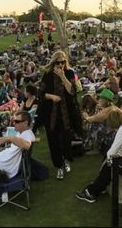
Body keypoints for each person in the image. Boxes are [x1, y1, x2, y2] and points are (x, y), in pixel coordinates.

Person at [38, 51, 80, 180]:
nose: (60, 64)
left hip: (66, 113)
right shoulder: (47, 75)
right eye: (58, 62)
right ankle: (59, 166)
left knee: (66, 140)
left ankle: (66, 159)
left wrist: (63, 77)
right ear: (53, 62)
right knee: (54, 141)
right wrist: (51, 96)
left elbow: (72, 91)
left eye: (63, 62)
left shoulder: (69, 73)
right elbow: (41, 93)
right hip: (51, 114)